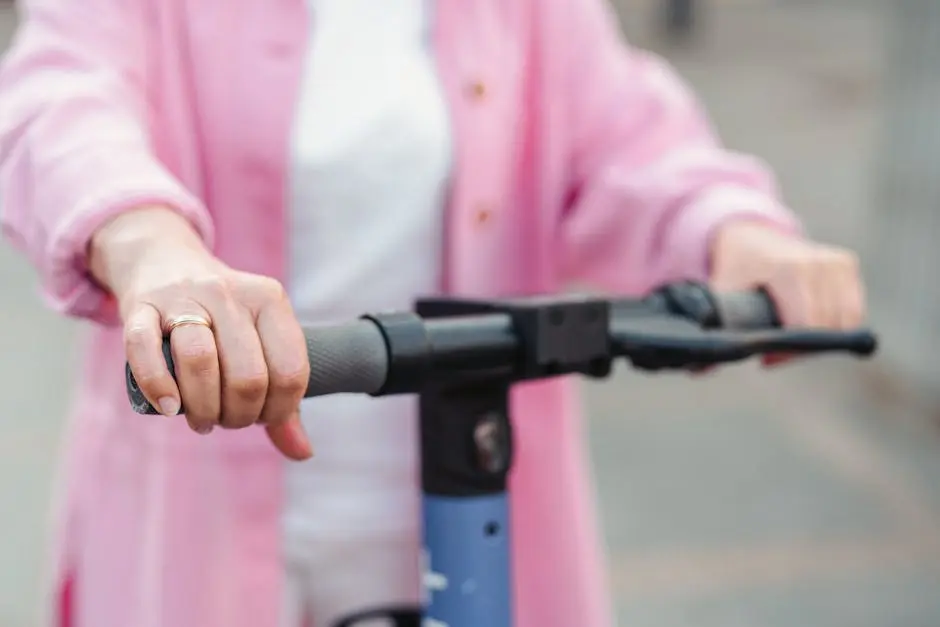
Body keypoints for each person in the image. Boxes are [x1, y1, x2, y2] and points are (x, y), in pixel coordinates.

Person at [0, 0, 865, 625]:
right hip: (196, 525)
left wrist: (731, 228)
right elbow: (60, 98)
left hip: (471, 498)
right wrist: (150, 243)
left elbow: (624, 133)